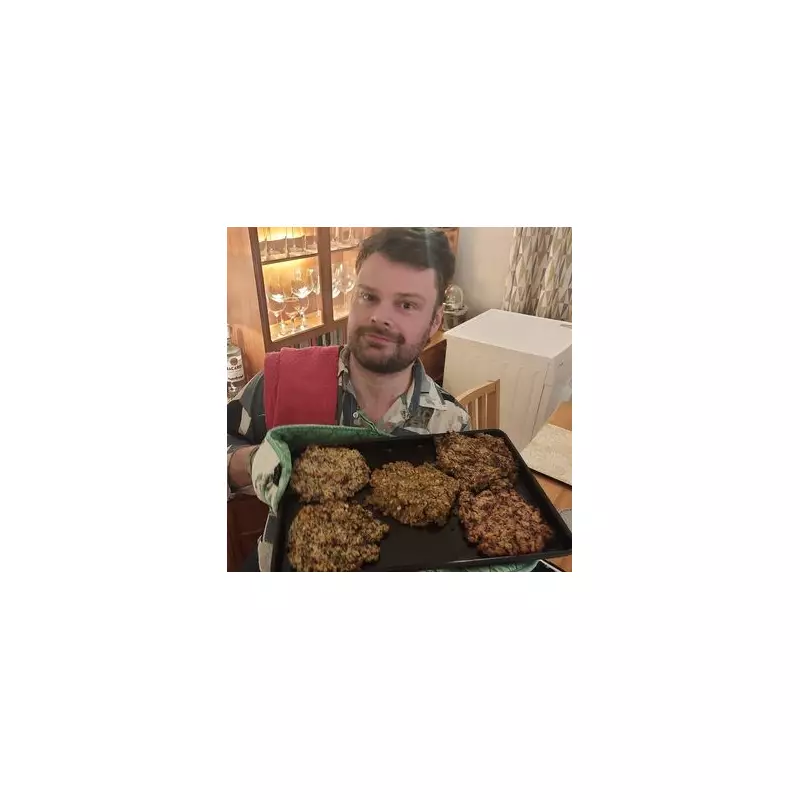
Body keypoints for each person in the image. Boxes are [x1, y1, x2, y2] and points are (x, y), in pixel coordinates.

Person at [227, 227, 471, 497]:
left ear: (435, 320)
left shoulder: (451, 424)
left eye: (406, 305)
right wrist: (251, 463)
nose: (379, 316)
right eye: (368, 296)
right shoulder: (282, 380)